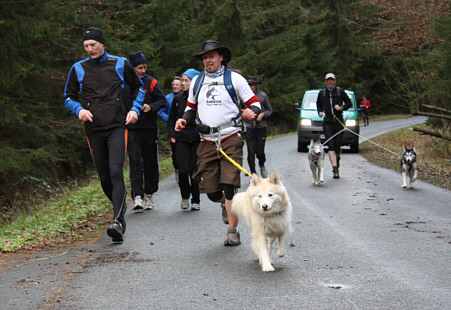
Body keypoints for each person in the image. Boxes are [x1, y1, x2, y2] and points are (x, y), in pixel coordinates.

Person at [175, 40, 262, 246]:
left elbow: (254, 103)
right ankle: (226, 204)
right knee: (212, 191)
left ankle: (233, 231)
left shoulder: (235, 79)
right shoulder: (197, 82)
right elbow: (190, 107)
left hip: (230, 137)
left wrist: (253, 112)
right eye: (205, 57)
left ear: (221, 57)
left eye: (211, 56)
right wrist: (184, 120)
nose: (207, 60)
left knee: (229, 184)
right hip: (206, 140)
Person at [63, 27, 144, 243]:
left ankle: (117, 220)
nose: (90, 49)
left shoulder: (120, 63)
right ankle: (119, 212)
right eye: (86, 46)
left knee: (116, 171)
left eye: (93, 45)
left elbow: (139, 88)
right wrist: (79, 110)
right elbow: (68, 97)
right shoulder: (77, 68)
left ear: (102, 44)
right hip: (94, 129)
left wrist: (135, 110)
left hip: (118, 125)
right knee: (105, 177)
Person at [125, 51, 167, 212]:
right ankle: (137, 195)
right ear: (132, 68)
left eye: (144, 67)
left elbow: (162, 101)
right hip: (132, 128)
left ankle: (149, 193)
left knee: (150, 162)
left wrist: (151, 107)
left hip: (149, 128)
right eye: (139, 68)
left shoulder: (151, 82)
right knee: (135, 161)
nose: (143, 71)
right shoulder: (126, 84)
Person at [168, 69, 201, 210]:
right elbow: (171, 119)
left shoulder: (200, 98)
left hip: (196, 137)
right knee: (183, 170)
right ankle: (185, 196)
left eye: (186, 80)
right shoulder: (177, 99)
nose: (183, 83)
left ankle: (196, 200)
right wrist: (171, 135)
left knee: (194, 170)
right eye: (182, 80)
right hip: (181, 137)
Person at [316, 73, 352, 179]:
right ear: (325, 82)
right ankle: (335, 169)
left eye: (332, 80)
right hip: (327, 121)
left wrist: (341, 107)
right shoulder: (322, 93)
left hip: (338, 120)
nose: (330, 81)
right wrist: (320, 112)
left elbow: (349, 103)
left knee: (337, 145)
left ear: (335, 81)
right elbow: (318, 104)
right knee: (330, 145)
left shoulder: (340, 91)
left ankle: (338, 159)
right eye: (328, 80)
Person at [243, 76, 273, 178]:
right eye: (248, 85)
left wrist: (262, 115)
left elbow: (269, 110)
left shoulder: (262, 96)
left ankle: (261, 164)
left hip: (261, 127)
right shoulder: (242, 96)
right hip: (248, 126)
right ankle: (253, 174)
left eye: (251, 85)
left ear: (256, 85)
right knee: (250, 152)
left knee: (260, 152)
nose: (250, 87)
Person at [159, 76, 182, 183]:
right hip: (172, 128)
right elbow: (160, 110)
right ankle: (178, 169)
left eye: (177, 84)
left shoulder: (187, 97)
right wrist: (168, 119)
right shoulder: (167, 98)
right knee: (176, 152)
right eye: (173, 85)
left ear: (182, 86)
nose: (175, 86)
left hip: (185, 127)